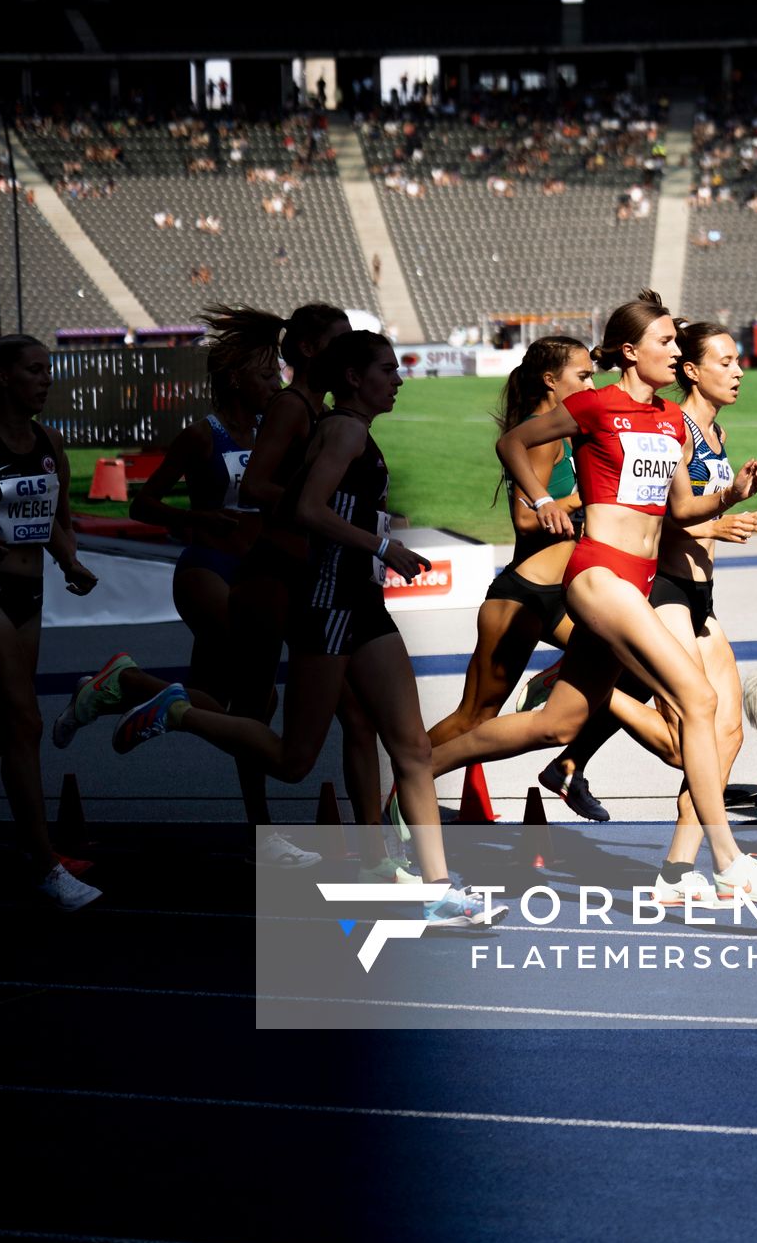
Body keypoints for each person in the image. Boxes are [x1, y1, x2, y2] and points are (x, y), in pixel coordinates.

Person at [111, 333, 500, 926]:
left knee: (412, 747)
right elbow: (305, 509)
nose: (398, 380)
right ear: (352, 376)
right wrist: (381, 543)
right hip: (328, 602)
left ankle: (436, 887)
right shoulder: (342, 429)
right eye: (388, 370)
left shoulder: (350, 429)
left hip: (362, 603)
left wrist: (375, 529)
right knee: (295, 759)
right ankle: (179, 712)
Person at [426, 291, 757, 906]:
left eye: (678, 344)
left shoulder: (673, 421)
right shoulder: (594, 406)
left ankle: (420, 768)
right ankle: (727, 862)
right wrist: (543, 502)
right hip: (599, 574)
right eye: (665, 343)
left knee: (559, 725)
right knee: (698, 699)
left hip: (640, 580)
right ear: (631, 351)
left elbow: (682, 509)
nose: (675, 353)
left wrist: (732, 495)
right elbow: (512, 444)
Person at [0, 336, 101, 908]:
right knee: (25, 723)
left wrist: (71, 562)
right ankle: (45, 862)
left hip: (29, 595)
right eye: (34, 370)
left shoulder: (51, 442)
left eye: (47, 371)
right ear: (3, 377)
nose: (45, 379)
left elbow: (52, 522)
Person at [425, 337, 609, 820]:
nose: (593, 383)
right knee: (474, 718)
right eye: (583, 376)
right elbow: (526, 521)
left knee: (625, 666)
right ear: (551, 381)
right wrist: (585, 502)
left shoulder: (568, 433)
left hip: (563, 596)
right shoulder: (539, 435)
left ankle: (569, 760)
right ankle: (397, 789)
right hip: (524, 596)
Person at [119, 327, 282, 705]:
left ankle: (122, 685)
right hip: (209, 567)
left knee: (211, 696)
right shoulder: (202, 436)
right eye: (267, 376)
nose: (277, 385)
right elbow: (141, 505)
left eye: (278, 374)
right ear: (236, 379)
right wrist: (196, 518)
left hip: (257, 569)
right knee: (256, 683)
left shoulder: (272, 434)